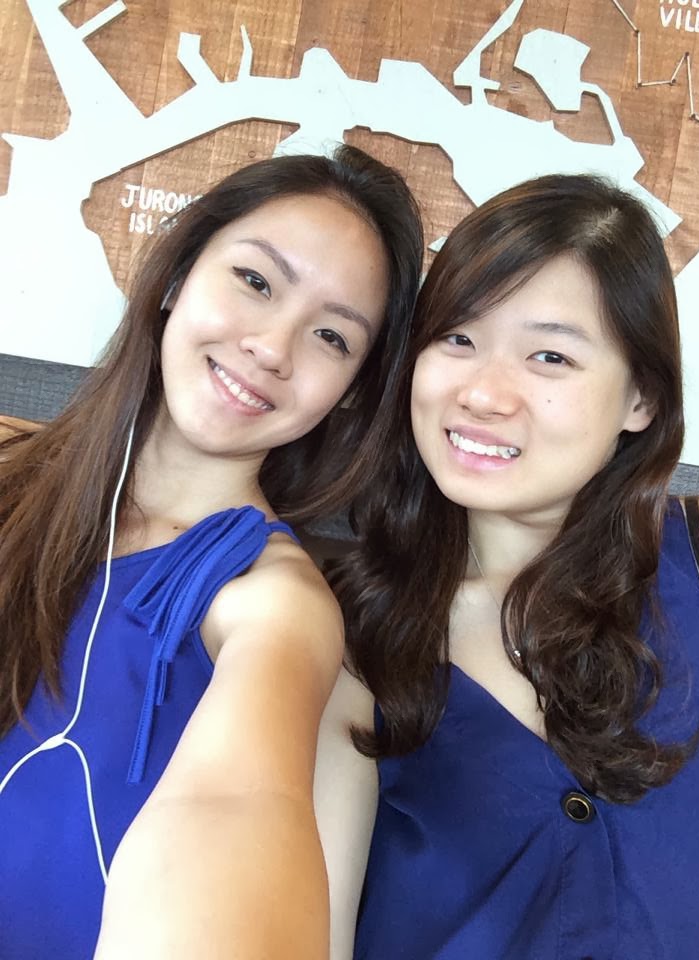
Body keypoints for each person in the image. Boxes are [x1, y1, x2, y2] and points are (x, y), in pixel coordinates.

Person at [0, 144, 423, 959]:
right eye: (256, 281)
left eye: (332, 336)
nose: (273, 347)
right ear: (175, 277)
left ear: (350, 395)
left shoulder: (274, 605)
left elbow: (236, 814)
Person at [322, 174, 699, 960]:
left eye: (550, 355)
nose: (483, 394)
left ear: (640, 398)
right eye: (458, 338)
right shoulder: (351, 637)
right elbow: (313, 927)